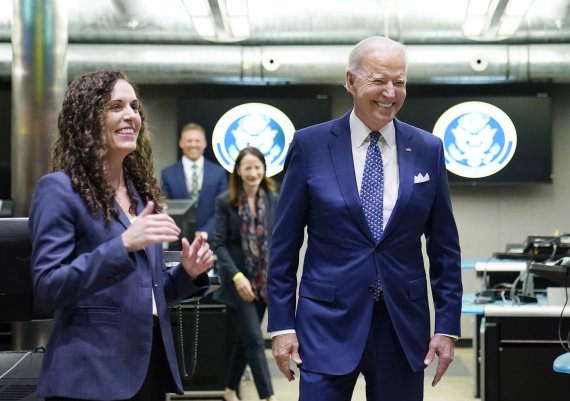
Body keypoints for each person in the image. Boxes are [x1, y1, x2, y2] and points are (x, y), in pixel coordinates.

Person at [267, 36, 463, 401]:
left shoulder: (427, 149)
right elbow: (283, 246)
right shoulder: (310, 146)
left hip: (402, 326)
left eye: (400, 82)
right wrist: (281, 325)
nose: (390, 92)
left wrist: (448, 327)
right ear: (351, 81)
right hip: (325, 325)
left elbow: (445, 249)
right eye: (379, 80)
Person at [29, 70, 215, 401]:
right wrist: (124, 245)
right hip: (90, 376)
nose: (131, 115)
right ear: (86, 118)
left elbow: (148, 293)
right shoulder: (59, 189)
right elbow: (48, 287)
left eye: (133, 106)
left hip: (148, 369)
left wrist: (187, 274)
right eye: (116, 106)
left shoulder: (142, 196)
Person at [211, 147, 279, 401]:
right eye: (247, 167)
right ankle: (268, 396)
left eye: (257, 166)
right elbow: (219, 243)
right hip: (238, 283)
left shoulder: (273, 198)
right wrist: (237, 276)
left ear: (264, 168)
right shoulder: (225, 201)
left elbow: (279, 239)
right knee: (255, 339)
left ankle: (229, 390)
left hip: (264, 281)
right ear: (238, 171)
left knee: (245, 340)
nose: (253, 172)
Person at [161, 122, 228, 238]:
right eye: (189, 141)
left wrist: (206, 232)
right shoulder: (168, 174)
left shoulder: (218, 173)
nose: (193, 145)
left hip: (211, 239)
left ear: (204, 143)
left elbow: (223, 208)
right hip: (178, 239)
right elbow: (166, 208)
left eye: (197, 141)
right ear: (181, 143)